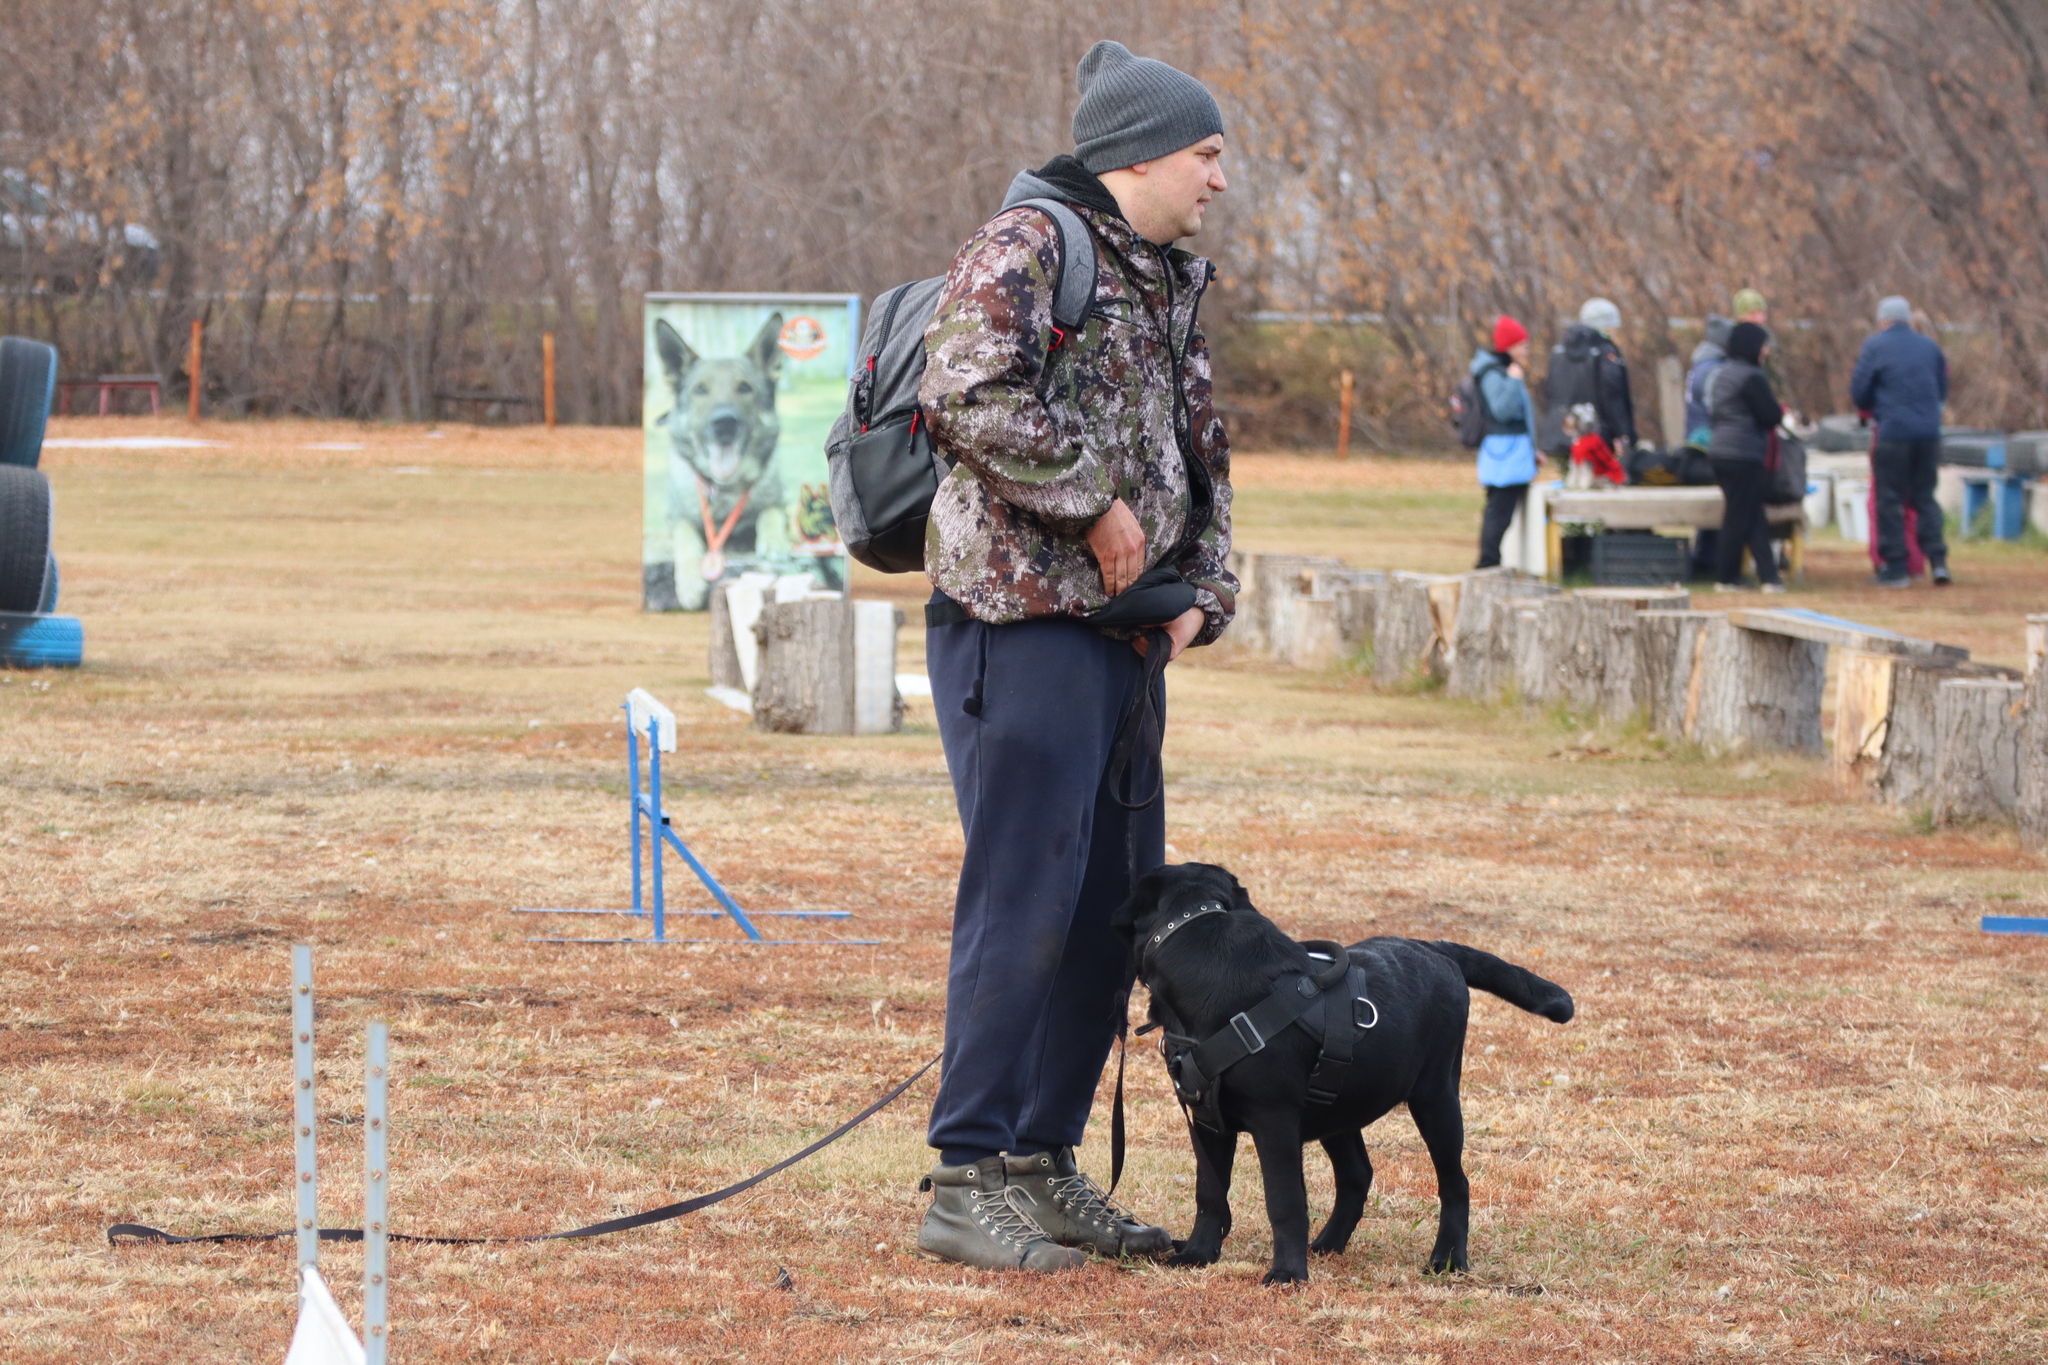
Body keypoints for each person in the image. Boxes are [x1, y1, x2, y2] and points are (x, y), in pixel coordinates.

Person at [912, 39, 1238, 1272]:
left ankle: (1042, 1165)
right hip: (1018, 625)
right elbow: (967, 386)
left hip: (1121, 642)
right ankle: (964, 1173)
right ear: (1141, 152)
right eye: (1205, 154)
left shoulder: (1164, 277)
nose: (1217, 179)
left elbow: (1200, 452)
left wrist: (1201, 592)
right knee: (1024, 901)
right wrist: (1095, 508)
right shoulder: (1031, 244)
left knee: (1113, 914)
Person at [1850, 295, 1950, 588]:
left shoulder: (1875, 345)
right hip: (1929, 434)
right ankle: (1939, 562)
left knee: (1890, 499)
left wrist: (1877, 408)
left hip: (1893, 433)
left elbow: (1859, 391)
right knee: (1924, 498)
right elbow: (1942, 389)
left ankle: (1896, 568)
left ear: (1883, 320)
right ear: (1907, 318)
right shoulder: (1930, 347)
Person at [1705, 321, 1786, 592]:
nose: (1766, 350)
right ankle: (1726, 577)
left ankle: (1769, 576)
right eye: (1763, 344)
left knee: (1750, 514)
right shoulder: (1750, 376)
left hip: (1720, 451)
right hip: (1742, 453)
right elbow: (1770, 416)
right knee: (1739, 516)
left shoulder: (1722, 374)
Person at [1541, 297, 1636, 481]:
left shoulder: (1559, 352)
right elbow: (1612, 395)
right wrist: (1622, 433)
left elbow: (1549, 391)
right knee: (1600, 485)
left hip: (1562, 433)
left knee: (1571, 485)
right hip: (1597, 437)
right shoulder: (1605, 352)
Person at [1471, 315, 1537, 568]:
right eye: (1522, 345)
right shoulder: (1495, 374)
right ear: (1509, 346)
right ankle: (1487, 563)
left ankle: (1492, 561)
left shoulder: (1507, 372)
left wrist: (1533, 450)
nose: (1526, 350)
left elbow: (1525, 417)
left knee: (1502, 513)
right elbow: (1502, 410)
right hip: (1504, 455)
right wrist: (1513, 381)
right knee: (1498, 512)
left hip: (1516, 452)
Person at [1684, 314, 1733, 449]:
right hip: (1708, 439)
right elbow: (1716, 407)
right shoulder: (1714, 369)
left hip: (1695, 434)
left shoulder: (1700, 363)